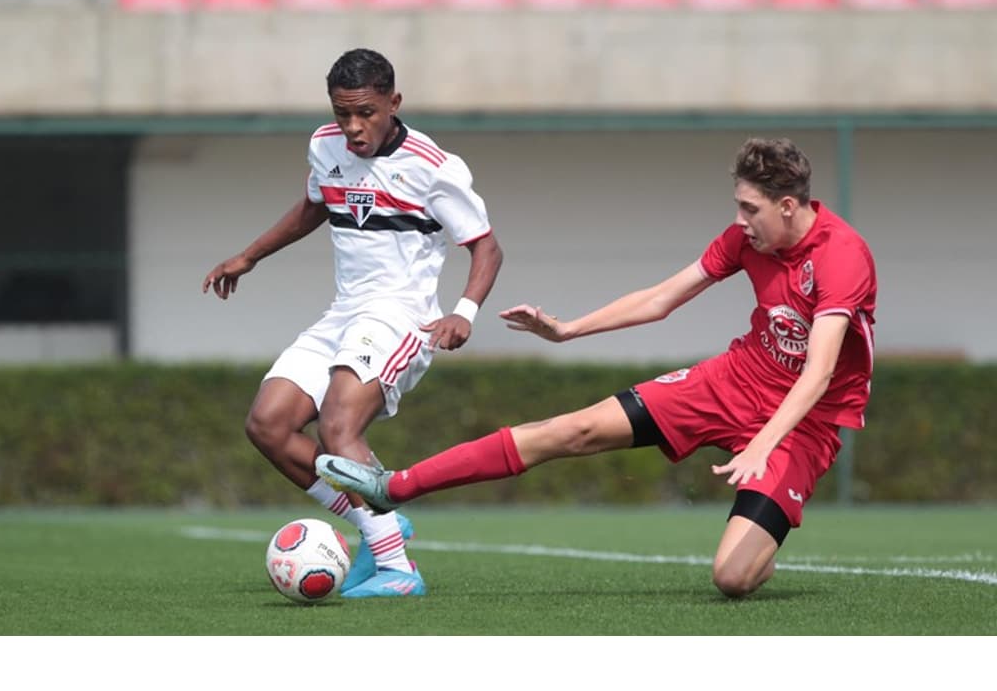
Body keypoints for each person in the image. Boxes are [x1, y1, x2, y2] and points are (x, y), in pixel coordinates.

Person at [317, 136, 877, 599]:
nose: (739, 220)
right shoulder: (745, 239)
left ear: (787, 206)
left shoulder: (842, 255)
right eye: (738, 205)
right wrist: (567, 330)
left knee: (732, 578)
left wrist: (763, 444)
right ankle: (397, 486)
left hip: (804, 422)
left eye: (749, 208)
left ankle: (758, 549)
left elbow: (819, 373)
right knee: (571, 430)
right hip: (735, 381)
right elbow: (661, 299)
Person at [203, 48, 503, 598]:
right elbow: (315, 205)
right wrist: (250, 255)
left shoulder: (433, 167)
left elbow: (485, 246)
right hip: (344, 312)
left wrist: (464, 313)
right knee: (267, 425)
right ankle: (377, 524)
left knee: (338, 428)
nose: (353, 127)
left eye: (365, 112)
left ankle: (398, 569)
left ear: (394, 102)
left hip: (401, 318)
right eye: (343, 114)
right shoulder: (325, 146)